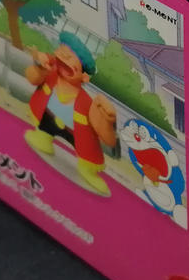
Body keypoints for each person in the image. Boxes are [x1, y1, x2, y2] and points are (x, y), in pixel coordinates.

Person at [23, 35, 118, 195]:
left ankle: (87, 171)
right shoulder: (51, 77)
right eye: (61, 54)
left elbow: (107, 138)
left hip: (76, 133)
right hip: (48, 118)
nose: (63, 58)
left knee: (87, 156)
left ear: (84, 77)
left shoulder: (87, 103)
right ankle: (42, 137)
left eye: (69, 58)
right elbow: (32, 78)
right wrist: (39, 66)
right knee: (42, 133)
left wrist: (107, 121)